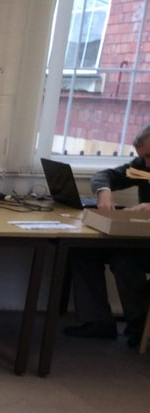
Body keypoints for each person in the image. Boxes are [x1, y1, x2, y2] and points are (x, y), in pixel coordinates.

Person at [63, 125, 150, 346]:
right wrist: (104, 192)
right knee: (84, 249)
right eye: (143, 157)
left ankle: (139, 328)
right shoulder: (143, 167)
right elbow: (104, 176)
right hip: (140, 238)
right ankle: (97, 321)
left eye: (149, 156)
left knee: (125, 261)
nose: (146, 163)